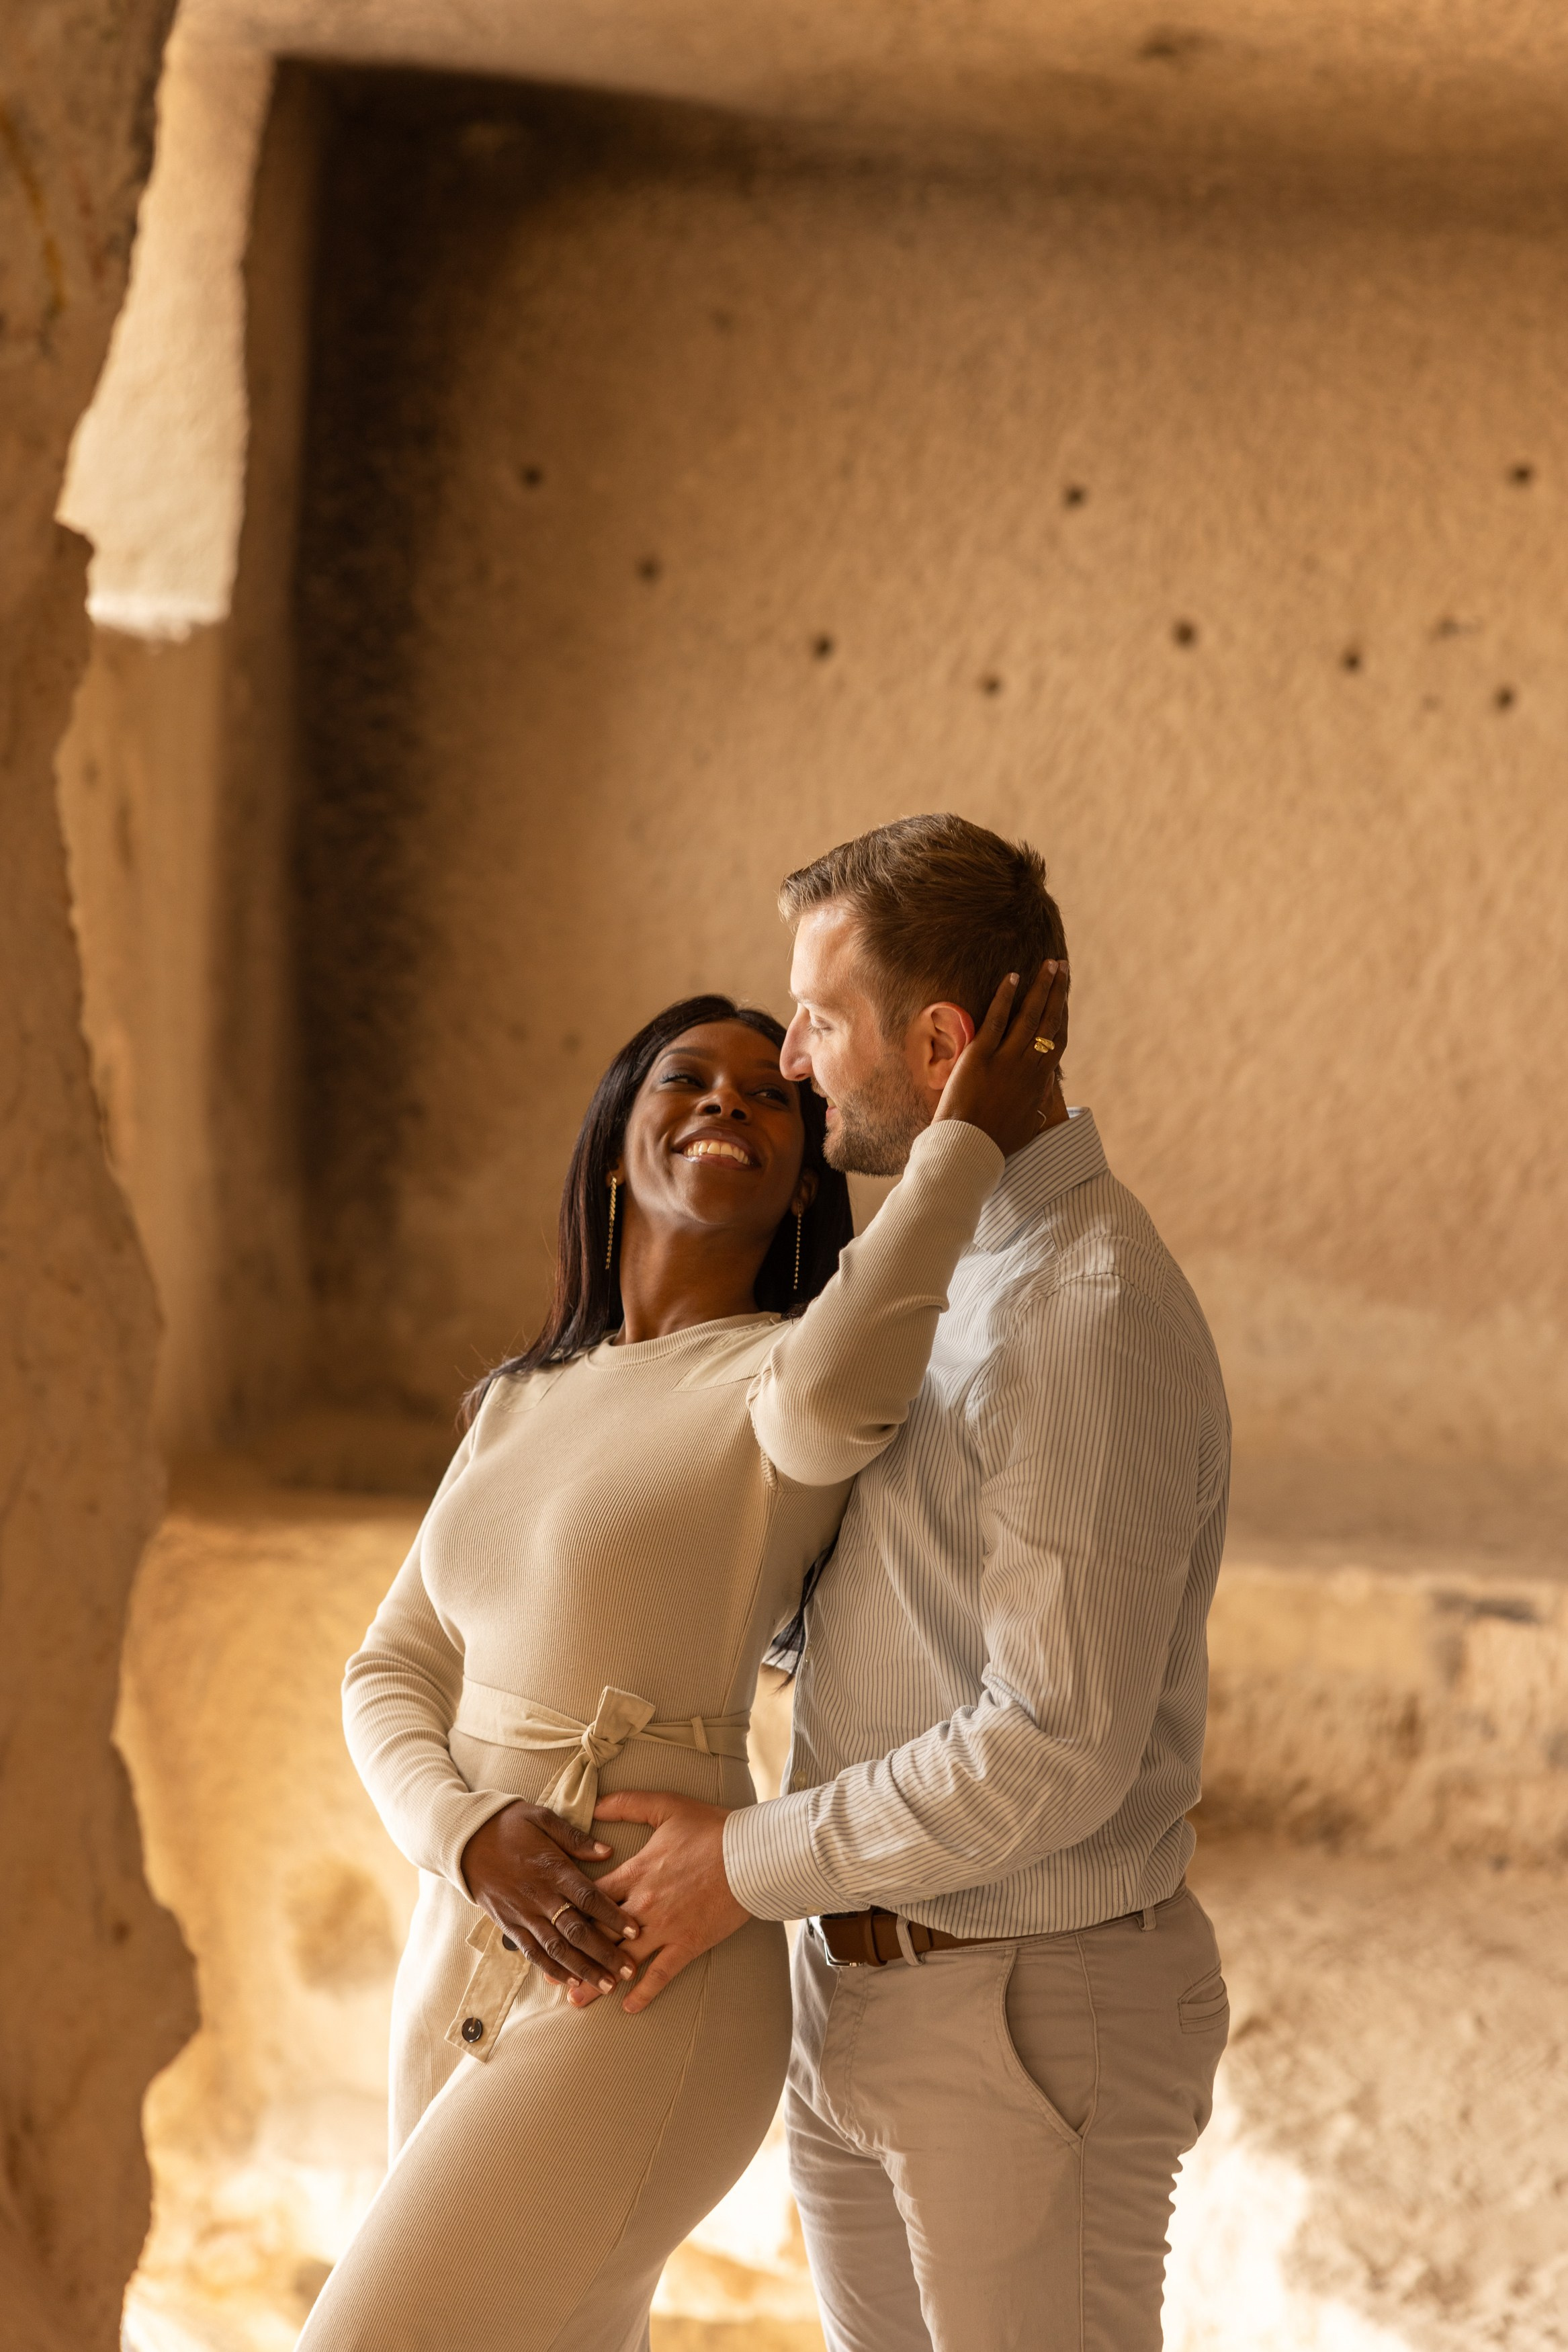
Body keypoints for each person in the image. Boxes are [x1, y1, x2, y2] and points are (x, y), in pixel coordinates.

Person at [298, 971, 1065, 2352]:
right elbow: (388, 1668)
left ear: (800, 1183)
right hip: (460, 1941)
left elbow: (847, 1380)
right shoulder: (521, 1401)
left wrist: (959, 1148)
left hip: (638, 1972)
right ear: (613, 1140)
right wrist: (469, 1837)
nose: (730, 1099)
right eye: (686, 1079)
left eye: (776, 1095)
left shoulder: (781, 1377)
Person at [587, 816, 1233, 2352]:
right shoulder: (943, 1269)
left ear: (941, 1043)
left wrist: (739, 1860)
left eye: (818, 1020)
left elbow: (1055, 1746)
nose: (793, 1062)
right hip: (867, 1984)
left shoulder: (1082, 1310)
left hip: (1023, 2014)